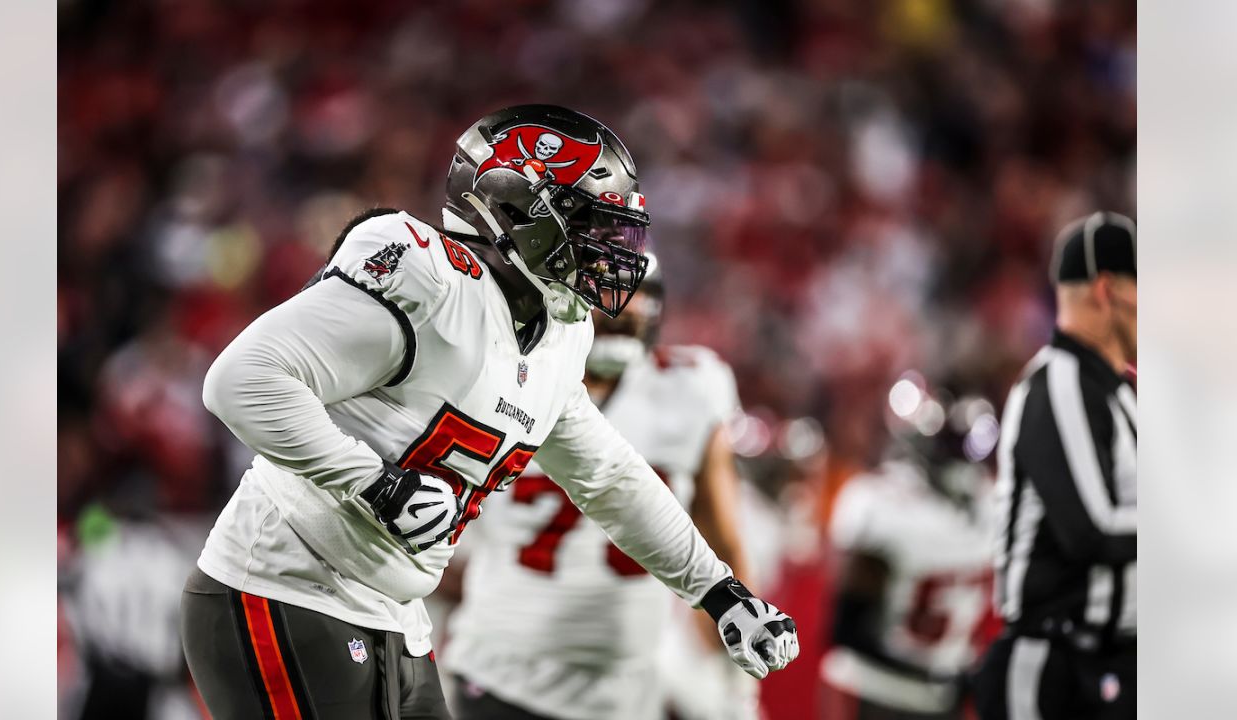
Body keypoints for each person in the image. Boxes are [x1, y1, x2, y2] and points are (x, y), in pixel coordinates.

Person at [179, 105, 798, 720]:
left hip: (395, 614)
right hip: (283, 584)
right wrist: (374, 483)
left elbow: (610, 477)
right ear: (515, 210)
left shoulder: (559, 335)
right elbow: (242, 380)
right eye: (588, 224)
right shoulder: (429, 279)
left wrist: (717, 591)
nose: (611, 252)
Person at [443, 257, 759, 720]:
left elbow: (719, 535)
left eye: (636, 295)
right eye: (605, 294)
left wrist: (732, 656)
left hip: (624, 692)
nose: (624, 309)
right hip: (502, 672)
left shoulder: (692, 388)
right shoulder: (510, 373)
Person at [973, 212, 1137, 720]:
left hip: (1113, 662)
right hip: (1055, 666)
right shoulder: (1059, 383)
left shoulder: (1124, 393)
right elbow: (1093, 529)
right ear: (1107, 289)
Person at [820, 382, 997, 720]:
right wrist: (945, 676)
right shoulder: (990, 505)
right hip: (878, 691)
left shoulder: (878, 501)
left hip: (931, 694)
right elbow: (847, 631)